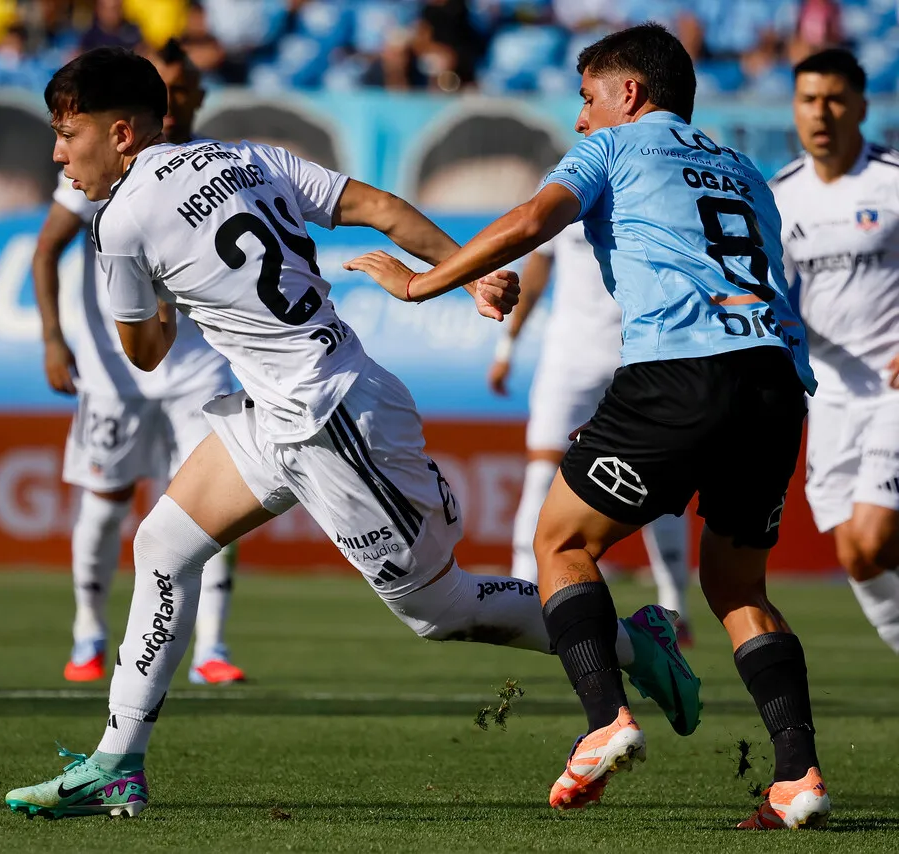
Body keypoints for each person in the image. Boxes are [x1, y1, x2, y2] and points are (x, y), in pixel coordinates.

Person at [4, 45, 700, 821]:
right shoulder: (248, 155)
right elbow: (377, 208)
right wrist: (467, 272)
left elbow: (145, 353)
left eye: (70, 134)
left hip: (332, 421)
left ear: (124, 134)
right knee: (163, 545)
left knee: (438, 609)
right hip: (284, 409)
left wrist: (160, 295)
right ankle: (116, 762)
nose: (60, 152)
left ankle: (637, 643)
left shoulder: (120, 223)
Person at [346, 23, 829, 829]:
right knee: (739, 586)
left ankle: (606, 720)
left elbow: (535, 218)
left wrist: (423, 283)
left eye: (586, 97)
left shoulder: (616, 149)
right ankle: (797, 776)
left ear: (629, 94)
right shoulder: (747, 171)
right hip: (775, 383)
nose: (580, 118)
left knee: (561, 541)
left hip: (680, 371)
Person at [34, 39, 244, 687]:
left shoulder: (213, 163)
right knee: (107, 499)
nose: (174, 100)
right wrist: (52, 337)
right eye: (165, 88)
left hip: (197, 364)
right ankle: (87, 631)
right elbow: (47, 252)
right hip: (114, 367)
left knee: (216, 501)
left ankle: (211, 647)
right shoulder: (97, 163)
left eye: (182, 90)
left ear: (197, 98)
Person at [489, 222, 693, 643]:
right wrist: (507, 346)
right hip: (570, 359)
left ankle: (676, 606)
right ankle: (524, 595)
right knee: (542, 473)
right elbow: (537, 268)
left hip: (640, 356)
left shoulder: (651, 179)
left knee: (660, 480)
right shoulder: (567, 182)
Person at [771, 48, 899, 653]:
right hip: (831, 396)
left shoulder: (892, 182)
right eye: (807, 99)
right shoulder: (778, 197)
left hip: (893, 390)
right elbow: (768, 295)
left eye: (834, 99)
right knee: (857, 554)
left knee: (873, 540)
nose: (820, 112)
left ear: (861, 108)